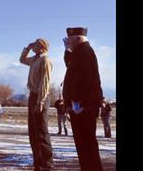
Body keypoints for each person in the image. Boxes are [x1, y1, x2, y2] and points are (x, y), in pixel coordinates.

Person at [62, 27, 104, 171]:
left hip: (83, 107)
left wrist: (76, 101)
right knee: (84, 146)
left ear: (78, 39)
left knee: (86, 145)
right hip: (81, 106)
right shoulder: (80, 52)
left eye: (71, 40)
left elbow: (84, 79)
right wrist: (68, 51)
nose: (69, 42)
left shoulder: (84, 52)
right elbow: (71, 67)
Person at [20, 38, 54, 171]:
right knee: (33, 132)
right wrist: (27, 49)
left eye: (34, 45)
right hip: (33, 96)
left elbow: (45, 84)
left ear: (41, 47)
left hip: (41, 97)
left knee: (41, 132)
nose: (32, 46)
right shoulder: (35, 59)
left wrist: (40, 102)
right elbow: (22, 60)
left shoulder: (45, 61)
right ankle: (37, 163)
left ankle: (46, 164)